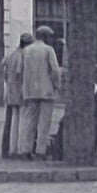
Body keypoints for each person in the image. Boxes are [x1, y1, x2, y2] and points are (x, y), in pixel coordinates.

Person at [16, 25, 62, 160]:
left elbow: (20, 71)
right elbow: (55, 70)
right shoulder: (49, 50)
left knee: (29, 121)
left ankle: (26, 150)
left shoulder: (26, 51)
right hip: (46, 91)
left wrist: (23, 88)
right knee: (44, 123)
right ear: (46, 37)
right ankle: (41, 151)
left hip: (30, 91)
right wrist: (56, 85)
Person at [0, 34, 30, 159]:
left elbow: (4, 70)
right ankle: (17, 149)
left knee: (11, 121)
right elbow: (19, 73)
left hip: (10, 92)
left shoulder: (11, 55)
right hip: (19, 92)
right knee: (19, 121)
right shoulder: (22, 56)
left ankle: (10, 149)